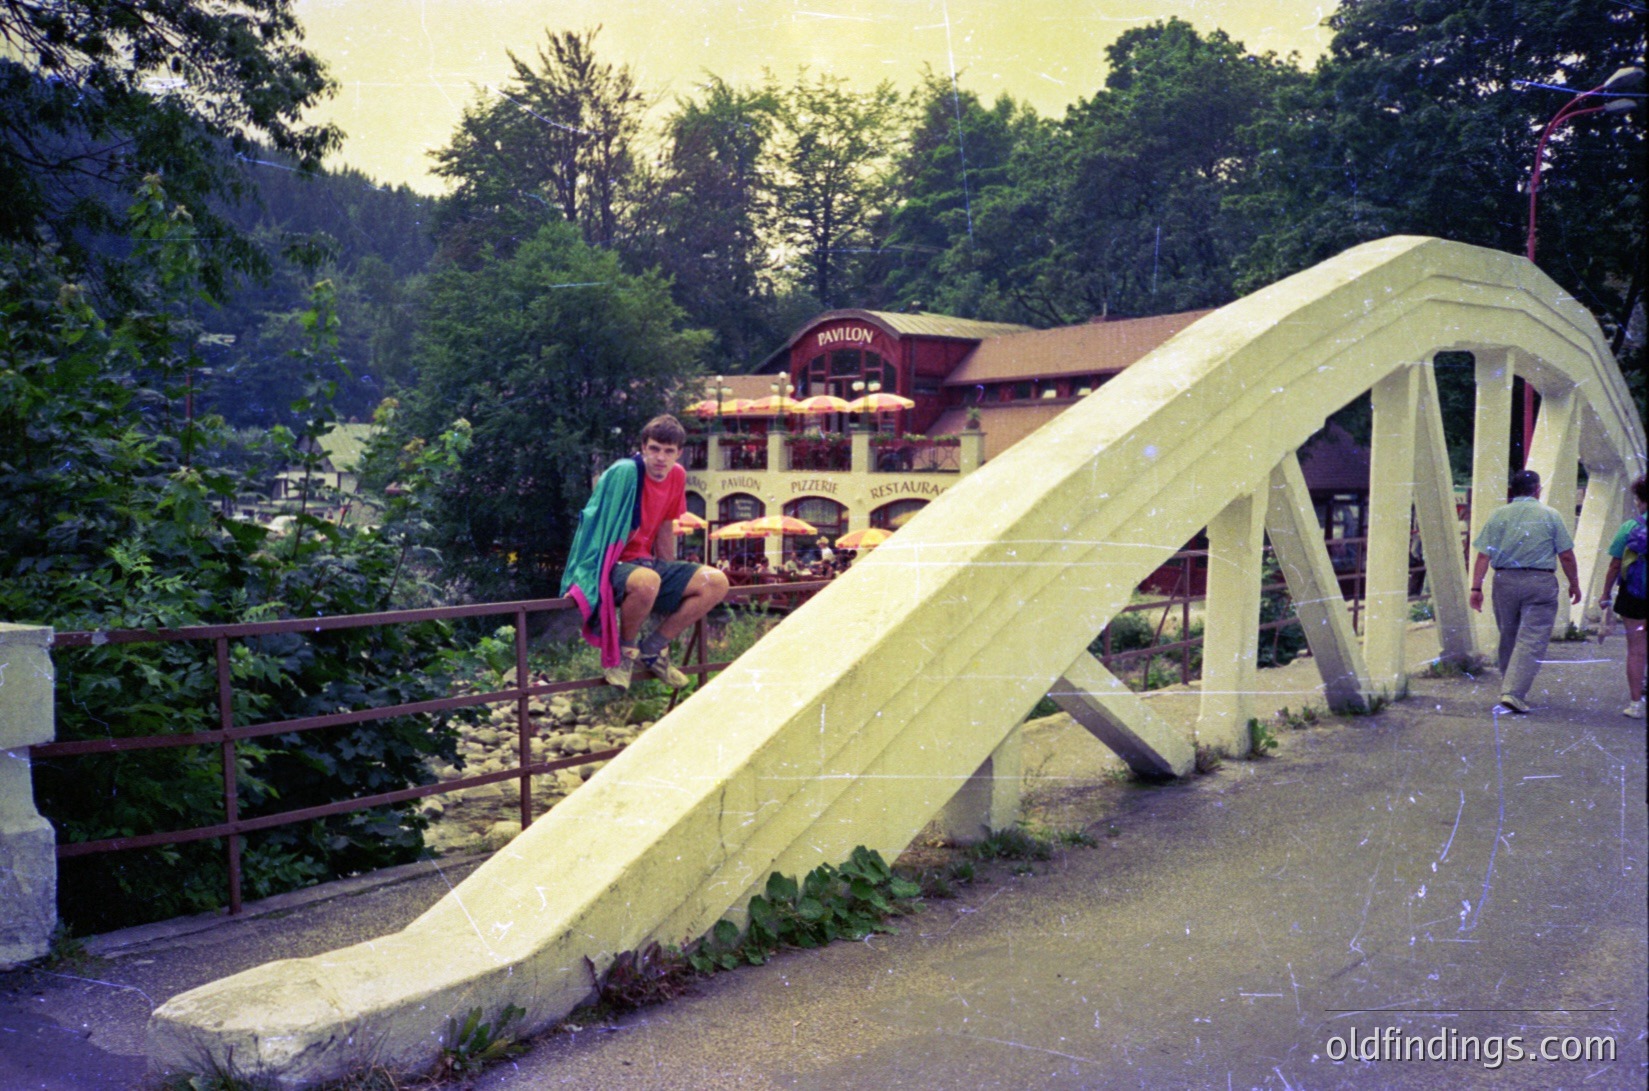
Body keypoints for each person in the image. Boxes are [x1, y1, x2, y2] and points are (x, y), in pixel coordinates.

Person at [560, 415, 730, 690]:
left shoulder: (677, 476)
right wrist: (580, 573)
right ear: (643, 447)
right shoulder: (625, 472)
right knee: (648, 581)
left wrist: (672, 577)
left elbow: (665, 527)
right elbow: (592, 524)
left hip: (646, 564)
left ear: (679, 453)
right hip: (614, 565)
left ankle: (653, 648)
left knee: (716, 581)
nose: (660, 457)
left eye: (668, 451)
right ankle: (624, 656)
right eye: (654, 449)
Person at [1468, 469, 1581, 713]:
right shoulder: (1551, 515)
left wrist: (1476, 587)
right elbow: (1566, 555)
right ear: (1537, 489)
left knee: (1508, 635)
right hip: (1540, 581)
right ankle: (1513, 692)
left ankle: (1508, 687)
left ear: (1512, 490)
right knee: (1531, 638)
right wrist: (1574, 583)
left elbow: (1482, 555)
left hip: (1504, 580)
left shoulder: (1498, 515)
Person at [1598, 474, 1648, 719]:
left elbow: (1614, 565)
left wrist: (1605, 594)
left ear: (1640, 499)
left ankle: (1636, 705)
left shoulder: (1630, 527)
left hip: (1635, 595)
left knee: (1636, 650)